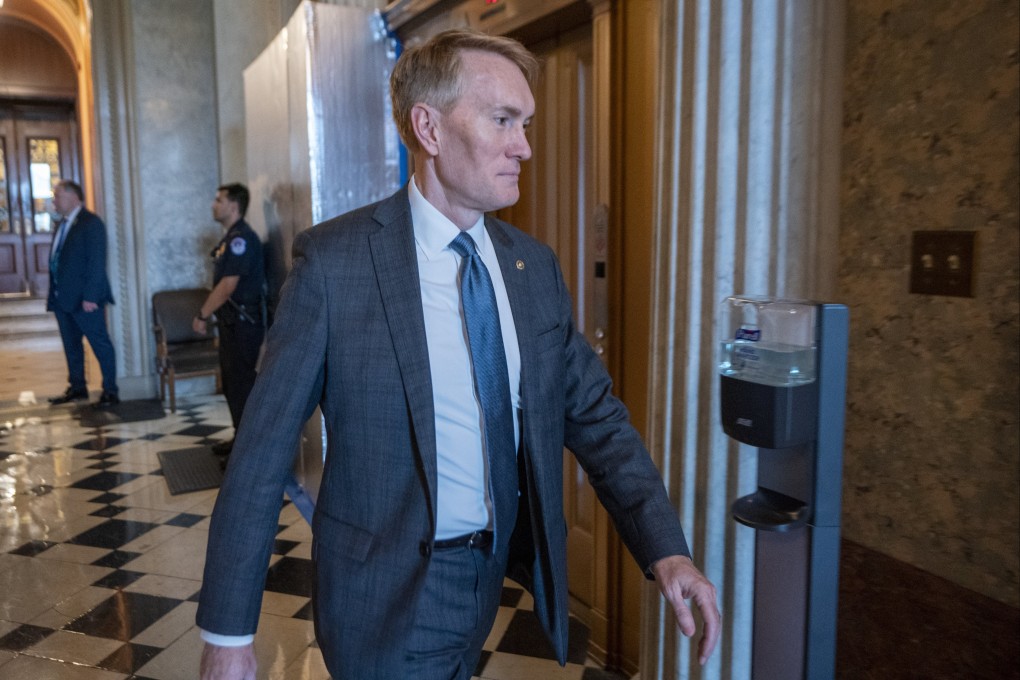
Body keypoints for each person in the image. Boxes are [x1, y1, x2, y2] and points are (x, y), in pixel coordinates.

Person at [197, 29, 720, 680]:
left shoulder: (531, 268)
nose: (524, 146)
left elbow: (598, 419)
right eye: (503, 120)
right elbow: (262, 450)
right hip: (382, 592)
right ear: (430, 128)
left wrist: (666, 550)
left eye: (525, 123)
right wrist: (228, 634)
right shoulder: (337, 264)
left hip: (489, 576)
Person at [193, 184, 266, 457]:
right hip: (231, 323)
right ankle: (240, 439)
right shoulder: (230, 238)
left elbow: (227, 286)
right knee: (232, 385)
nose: (213, 205)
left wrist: (202, 315)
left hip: (243, 324)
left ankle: (247, 451)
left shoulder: (241, 239)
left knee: (241, 385)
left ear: (233, 206)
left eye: (218, 200)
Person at [46, 180, 119, 408]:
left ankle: (110, 391)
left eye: (57, 196)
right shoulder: (62, 224)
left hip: (85, 300)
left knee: (100, 344)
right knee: (71, 346)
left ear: (72, 197)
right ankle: (78, 388)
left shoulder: (91, 222)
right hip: (63, 299)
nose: (54, 201)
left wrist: (91, 296)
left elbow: (97, 262)